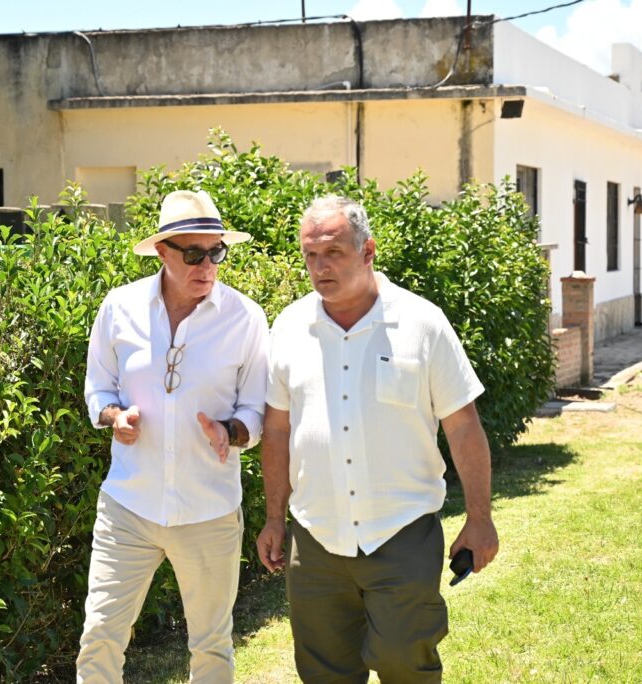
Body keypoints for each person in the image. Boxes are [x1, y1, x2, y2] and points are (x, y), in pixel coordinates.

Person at [255, 195, 499, 682]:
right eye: (310, 255)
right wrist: (275, 518)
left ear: (368, 252)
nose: (320, 267)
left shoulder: (421, 324)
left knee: (405, 663)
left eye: (334, 253)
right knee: (323, 673)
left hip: (400, 531)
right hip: (316, 537)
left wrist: (480, 518)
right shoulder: (288, 326)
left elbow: (463, 425)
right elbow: (278, 429)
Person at [77, 189, 269, 683]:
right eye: (193, 253)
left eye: (216, 252)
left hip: (209, 510)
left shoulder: (246, 318)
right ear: (162, 252)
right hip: (128, 507)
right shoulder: (119, 308)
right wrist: (113, 417)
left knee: (211, 648)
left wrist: (231, 431)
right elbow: (97, 387)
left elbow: (256, 407)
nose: (207, 265)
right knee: (99, 637)